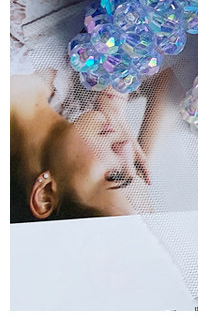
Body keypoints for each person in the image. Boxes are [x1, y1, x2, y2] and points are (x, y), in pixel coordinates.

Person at [10, 65, 172, 222]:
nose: (127, 146)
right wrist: (113, 99)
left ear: (45, 195)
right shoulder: (82, 95)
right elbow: (177, 68)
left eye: (115, 175)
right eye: (135, 166)